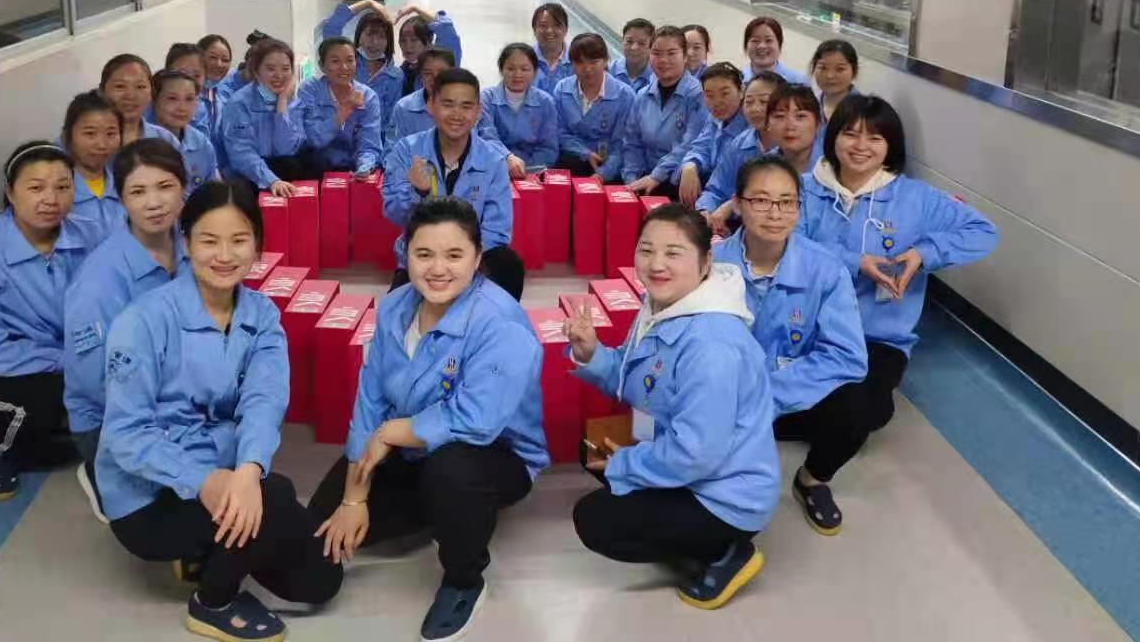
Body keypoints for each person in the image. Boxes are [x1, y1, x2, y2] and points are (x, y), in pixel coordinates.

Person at [99, 180, 343, 640]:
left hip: (225, 476)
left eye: (239, 240)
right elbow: (126, 435)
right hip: (149, 497)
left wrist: (247, 472)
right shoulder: (144, 321)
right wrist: (205, 481)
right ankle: (212, 602)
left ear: (258, 245)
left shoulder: (261, 316)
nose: (225, 255)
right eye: (209, 241)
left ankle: (203, 551)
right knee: (277, 497)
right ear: (186, 242)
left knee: (320, 578)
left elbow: (264, 402)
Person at [310, 198, 546, 642]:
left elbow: (478, 420)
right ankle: (440, 511)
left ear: (477, 258)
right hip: (407, 446)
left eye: (454, 255)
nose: (438, 269)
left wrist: (391, 433)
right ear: (406, 254)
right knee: (319, 535)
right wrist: (355, 497)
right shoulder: (395, 308)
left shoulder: (500, 324)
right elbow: (370, 397)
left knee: (451, 470)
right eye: (424, 254)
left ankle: (464, 579)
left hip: (491, 454)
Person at [566, 204, 779, 610]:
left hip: (722, 492)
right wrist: (590, 353)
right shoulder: (662, 307)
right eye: (646, 250)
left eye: (673, 253)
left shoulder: (712, 346)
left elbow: (695, 454)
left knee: (594, 520)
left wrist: (625, 464)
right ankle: (673, 517)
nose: (656, 264)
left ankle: (726, 551)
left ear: (705, 262)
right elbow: (635, 378)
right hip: (678, 450)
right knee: (589, 448)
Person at [800, 95, 999, 434]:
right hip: (805, 325)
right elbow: (788, 243)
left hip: (877, 336)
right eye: (850, 134)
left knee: (864, 411)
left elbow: (982, 231)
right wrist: (855, 261)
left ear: (890, 146)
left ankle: (816, 448)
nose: (861, 146)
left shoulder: (916, 198)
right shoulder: (804, 190)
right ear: (832, 137)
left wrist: (925, 253)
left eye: (875, 138)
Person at [712, 157, 868, 535]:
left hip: (793, 396)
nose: (775, 213)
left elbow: (847, 356)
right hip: (724, 399)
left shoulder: (825, 269)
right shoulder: (709, 266)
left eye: (787, 202)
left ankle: (812, 480)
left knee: (859, 406)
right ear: (738, 204)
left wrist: (770, 395)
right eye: (761, 200)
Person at [0, 142, 96, 499]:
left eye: (63, 186)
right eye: (36, 187)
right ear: (10, 193)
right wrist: (68, 362)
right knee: (38, 404)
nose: (51, 199)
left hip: (52, 358)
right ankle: (0, 452)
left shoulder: (88, 236)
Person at [63, 139, 190, 517]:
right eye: (138, 191)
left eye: (165, 186)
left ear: (184, 188)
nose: (154, 202)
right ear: (120, 198)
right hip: (112, 415)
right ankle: (96, 469)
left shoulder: (192, 248)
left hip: (177, 391)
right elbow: (93, 379)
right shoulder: (99, 279)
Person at [381, 69, 524, 300]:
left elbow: (498, 230)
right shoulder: (407, 151)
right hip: (423, 260)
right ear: (431, 105)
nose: (457, 114)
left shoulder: (493, 160)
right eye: (448, 104)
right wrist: (415, 192)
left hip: (475, 260)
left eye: (466, 106)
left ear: (478, 111)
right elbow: (393, 212)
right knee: (395, 314)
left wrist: (459, 261)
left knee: (508, 264)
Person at [219, 37, 311, 197]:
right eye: (271, 69)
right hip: (248, 175)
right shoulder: (239, 104)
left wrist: (282, 105)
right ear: (256, 71)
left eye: (285, 69)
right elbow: (241, 153)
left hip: (280, 168)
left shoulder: (294, 101)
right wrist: (271, 180)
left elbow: (287, 149)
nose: (279, 75)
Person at [622, 26, 706, 198]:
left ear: (684, 56)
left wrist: (656, 176)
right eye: (657, 53)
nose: (663, 60)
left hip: (676, 180)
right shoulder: (643, 95)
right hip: (644, 176)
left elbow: (690, 143)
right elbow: (632, 142)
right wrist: (631, 179)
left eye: (671, 53)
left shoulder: (698, 95)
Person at [694, 71, 785, 222]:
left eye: (763, 101)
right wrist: (704, 211)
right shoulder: (740, 143)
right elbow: (716, 189)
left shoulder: (792, 146)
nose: (755, 109)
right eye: (749, 102)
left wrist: (733, 206)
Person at [295, 38, 383, 176]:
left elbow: (369, 145)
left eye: (349, 60)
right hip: (311, 168)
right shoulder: (310, 90)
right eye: (335, 61)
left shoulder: (368, 96)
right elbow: (313, 139)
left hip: (352, 170)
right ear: (322, 65)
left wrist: (365, 167)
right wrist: (344, 111)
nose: (344, 67)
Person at [553, 32, 634, 181]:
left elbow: (624, 143)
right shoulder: (562, 89)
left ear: (605, 60)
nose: (587, 69)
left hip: (611, 166)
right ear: (571, 64)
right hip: (573, 160)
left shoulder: (625, 95)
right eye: (580, 63)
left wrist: (603, 174)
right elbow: (559, 131)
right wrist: (584, 153)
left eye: (594, 62)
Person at [479, 42, 560, 178]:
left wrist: (525, 170)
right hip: (493, 169)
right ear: (501, 70)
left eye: (524, 69)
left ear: (534, 71)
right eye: (511, 68)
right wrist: (507, 158)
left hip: (533, 172)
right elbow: (486, 137)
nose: (517, 74)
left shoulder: (545, 102)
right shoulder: (486, 98)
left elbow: (548, 148)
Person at [318, 0, 406, 123]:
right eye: (369, 34)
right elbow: (331, 28)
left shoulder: (395, 76)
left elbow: (391, 121)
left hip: (374, 133)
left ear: (388, 42)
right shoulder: (346, 65)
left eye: (381, 37)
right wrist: (367, 3)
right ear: (359, 36)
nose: (374, 42)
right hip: (337, 129)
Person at [676, 62, 747, 208]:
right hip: (710, 199)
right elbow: (701, 147)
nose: (717, 102)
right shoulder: (714, 118)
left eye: (725, 94)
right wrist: (690, 165)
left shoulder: (749, 127)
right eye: (709, 95)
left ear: (741, 91)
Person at [63, 90, 127, 239]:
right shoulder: (58, 192)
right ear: (68, 136)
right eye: (90, 134)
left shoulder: (126, 186)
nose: (101, 144)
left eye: (111, 134)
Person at [150, 69, 220, 195]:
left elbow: (212, 194)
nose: (182, 108)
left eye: (189, 99)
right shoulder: (140, 140)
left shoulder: (202, 144)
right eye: (172, 98)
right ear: (154, 100)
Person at [101, 53, 182, 150]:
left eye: (140, 87)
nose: (131, 96)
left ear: (151, 92)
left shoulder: (166, 140)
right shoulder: (92, 141)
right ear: (102, 91)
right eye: (120, 86)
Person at [387, 46, 456, 146]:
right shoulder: (403, 108)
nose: (435, 78)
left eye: (442, 72)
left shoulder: (468, 105)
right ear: (420, 77)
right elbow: (392, 150)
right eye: (428, 73)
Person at [396, 4, 463, 95]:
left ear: (429, 40)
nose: (408, 46)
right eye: (403, 41)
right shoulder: (399, 75)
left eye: (414, 40)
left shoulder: (445, 63)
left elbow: (446, 29)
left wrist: (416, 9)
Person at [163, 42, 216, 142]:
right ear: (166, 73)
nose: (189, 81)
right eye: (182, 73)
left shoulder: (202, 107)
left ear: (205, 77)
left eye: (196, 75)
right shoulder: (153, 107)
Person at [741, 17, 807, 85]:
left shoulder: (799, 82)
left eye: (768, 40)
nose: (762, 46)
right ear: (746, 45)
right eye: (755, 41)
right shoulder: (738, 81)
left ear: (779, 44)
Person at [810, 39, 860, 122]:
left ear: (854, 71)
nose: (830, 76)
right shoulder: (809, 105)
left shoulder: (865, 110)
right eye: (823, 68)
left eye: (840, 69)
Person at [531, 2, 573, 95]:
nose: (549, 31)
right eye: (543, 25)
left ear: (566, 29)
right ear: (534, 29)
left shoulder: (577, 59)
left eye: (557, 25)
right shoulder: (524, 59)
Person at [610, 17, 655, 91]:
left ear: (651, 46)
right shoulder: (609, 71)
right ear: (622, 41)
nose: (634, 48)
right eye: (629, 41)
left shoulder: (657, 78)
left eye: (641, 43)